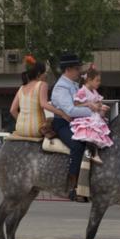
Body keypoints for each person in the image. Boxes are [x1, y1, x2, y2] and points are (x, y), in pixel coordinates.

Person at [51, 53, 102, 201]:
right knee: (77, 145)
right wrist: (93, 110)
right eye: (77, 68)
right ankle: (72, 186)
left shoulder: (73, 85)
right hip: (63, 123)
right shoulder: (61, 88)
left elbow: (80, 103)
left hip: (78, 122)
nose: (79, 71)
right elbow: (71, 111)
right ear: (68, 69)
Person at [10, 55, 71, 137]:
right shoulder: (42, 85)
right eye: (44, 72)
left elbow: (12, 110)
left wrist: (22, 124)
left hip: (20, 129)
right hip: (37, 129)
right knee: (57, 122)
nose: (46, 75)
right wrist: (63, 114)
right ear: (39, 73)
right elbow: (44, 104)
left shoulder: (21, 88)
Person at [70, 66, 112, 164]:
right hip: (85, 117)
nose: (99, 83)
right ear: (89, 80)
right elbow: (76, 105)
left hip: (94, 115)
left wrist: (102, 107)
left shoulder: (94, 91)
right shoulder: (82, 91)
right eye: (97, 80)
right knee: (92, 132)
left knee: (100, 130)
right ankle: (93, 153)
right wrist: (88, 104)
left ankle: (97, 152)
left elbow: (98, 104)